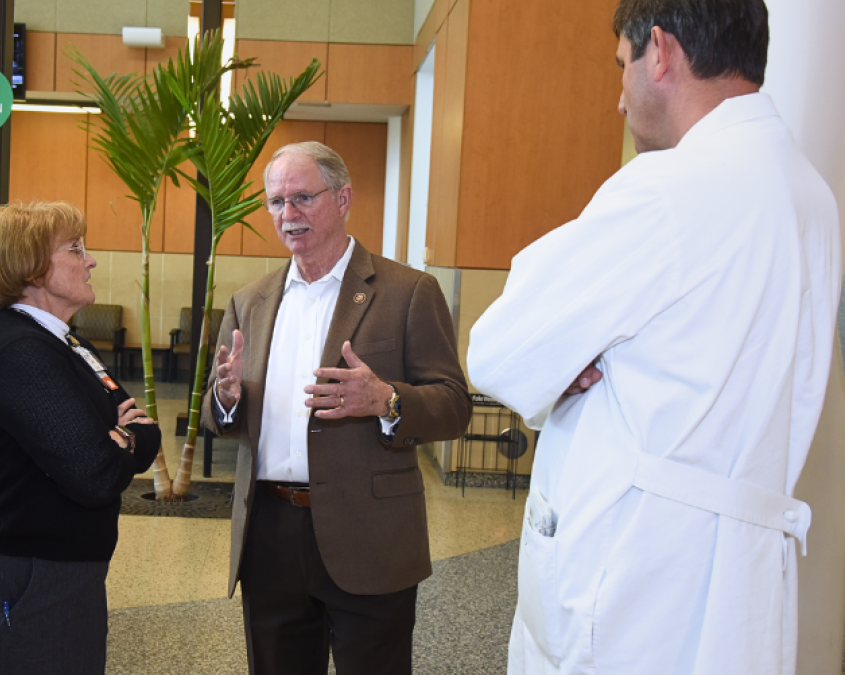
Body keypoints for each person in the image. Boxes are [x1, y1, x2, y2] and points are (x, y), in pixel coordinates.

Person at [467, 1, 841, 673]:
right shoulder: (810, 195)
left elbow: (499, 348)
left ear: (660, 51)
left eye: (622, 68)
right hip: (737, 580)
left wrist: (574, 350)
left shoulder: (666, 189)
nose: (619, 99)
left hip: (637, 585)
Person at [202, 142, 472, 674]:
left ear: (343, 198)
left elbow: (453, 404)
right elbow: (219, 413)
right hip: (270, 533)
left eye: (302, 197)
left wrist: (386, 399)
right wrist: (226, 398)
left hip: (369, 533)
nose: (288, 214)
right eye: (276, 202)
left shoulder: (408, 292)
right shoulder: (249, 302)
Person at [0, 201, 161, 674]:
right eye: (76, 248)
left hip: (60, 575)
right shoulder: (21, 351)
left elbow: (142, 428)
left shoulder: (63, 343)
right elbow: (95, 472)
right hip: (27, 580)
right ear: (32, 267)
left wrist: (122, 438)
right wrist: (123, 442)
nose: (91, 260)